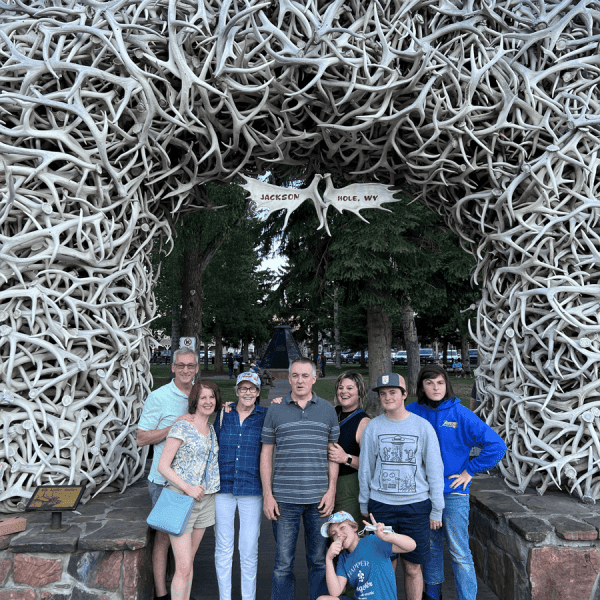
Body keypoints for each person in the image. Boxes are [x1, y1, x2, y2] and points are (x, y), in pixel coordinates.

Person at [407, 365, 506, 600]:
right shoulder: (411, 412)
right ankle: (433, 595)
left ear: (446, 385)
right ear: (422, 386)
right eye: (429, 383)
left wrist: (469, 471)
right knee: (430, 550)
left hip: (453, 494)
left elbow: (497, 446)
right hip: (423, 494)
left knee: (459, 552)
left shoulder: (460, 414)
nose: (435, 387)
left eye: (440, 383)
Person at [358, 372, 444, 600]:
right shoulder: (374, 428)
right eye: (383, 393)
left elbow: (435, 470)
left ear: (405, 394)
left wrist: (437, 508)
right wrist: (364, 502)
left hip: (415, 507)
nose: (387, 397)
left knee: (414, 567)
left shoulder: (422, 427)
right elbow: (366, 467)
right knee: (385, 567)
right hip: (382, 506)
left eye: (393, 392)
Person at [260, 357, 340, 600]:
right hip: (284, 499)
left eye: (306, 375)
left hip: (319, 500)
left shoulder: (327, 410)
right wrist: (267, 495)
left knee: (318, 560)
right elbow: (266, 454)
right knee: (283, 563)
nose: (300, 380)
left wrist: (331, 490)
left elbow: (332, 454)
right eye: (295, 375)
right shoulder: (275, 410)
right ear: (289, 377)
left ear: (315, 378)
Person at [137, 347, 199, 600]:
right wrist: (174, 426)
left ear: (196, 368)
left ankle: (180, 591)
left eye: (190, 366)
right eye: (180, 365)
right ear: (172, 367)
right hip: (165, 481)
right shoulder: (159, 397)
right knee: (164, 539)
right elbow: (141, 438)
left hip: (192, 483)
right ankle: (162, 594)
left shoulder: (200, 394)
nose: (185, 370)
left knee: (187, 542)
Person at [157, 381, 221, 600]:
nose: (208, 401)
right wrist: (188, 488)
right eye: (203, 397)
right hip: (181, 498)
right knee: (183, 566)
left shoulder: (211, 429)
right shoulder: (182, 426)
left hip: (205, 500)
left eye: (211, 397)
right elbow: (163, 466)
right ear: (195, 400)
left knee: (189, 563)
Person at [213, 372, 267, 600]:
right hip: (223, 487)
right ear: (236, 391)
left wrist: (280, 402)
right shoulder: (223, 415)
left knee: (248, 549)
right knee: (223, 547)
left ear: (258, 392)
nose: (248, 392)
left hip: (251, 488)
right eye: (243, 388)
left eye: (252, 389)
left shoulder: (265, 415)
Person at [317, 511, 416, 600]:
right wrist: (329, 558)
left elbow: (411, 545)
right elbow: (335, 591)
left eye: (342, 527)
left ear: (354, 527)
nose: (338, 534)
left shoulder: (373, 541)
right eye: (334, 534)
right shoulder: (343, 559)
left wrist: (388, 537)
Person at [327, 372, 370, 525]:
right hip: (323, 484)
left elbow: (370, 465)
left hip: (348, 485)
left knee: (346, 532)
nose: (344, 391)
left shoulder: (364, 422)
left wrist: (346, 458)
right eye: (340, 388)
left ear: (360, 393)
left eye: (350, 388)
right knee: (328, 534)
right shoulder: (331, 413)